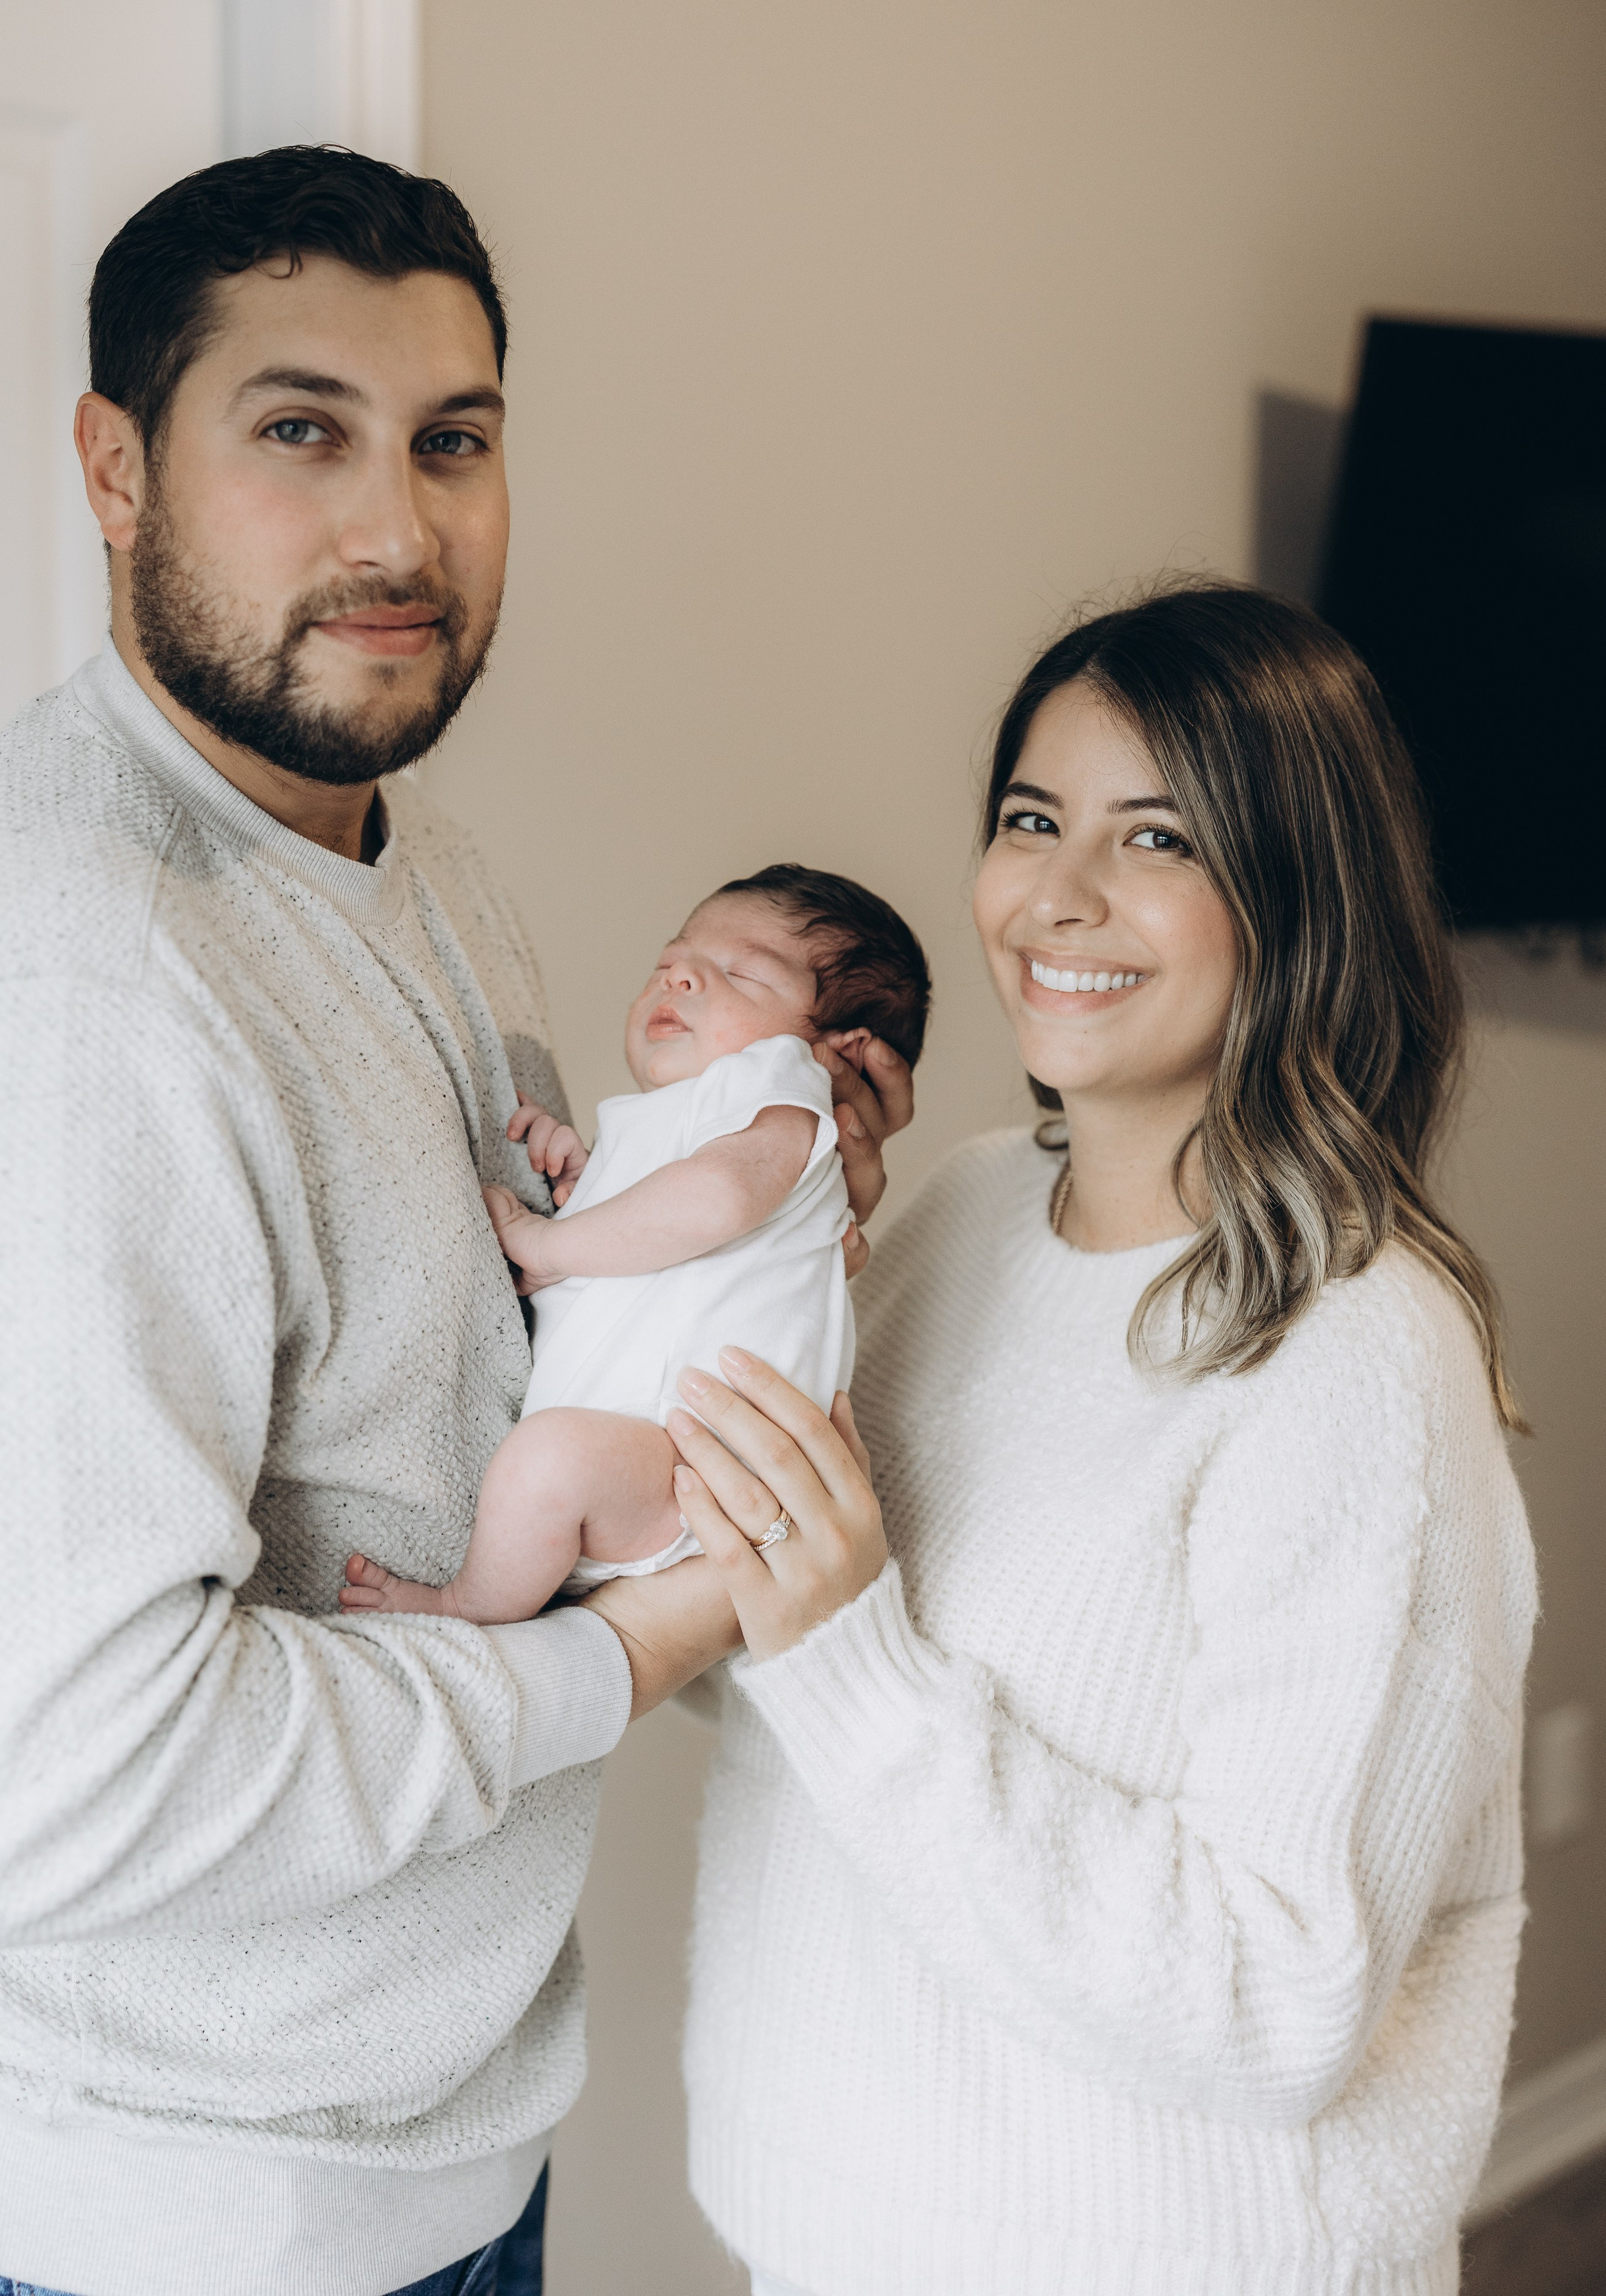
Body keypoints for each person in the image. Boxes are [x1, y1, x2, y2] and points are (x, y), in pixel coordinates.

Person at [0, 147, 910, 2296]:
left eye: (453, 441)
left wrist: (759, 1220)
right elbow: (53, 1786)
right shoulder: (83, 981)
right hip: (159, 2226)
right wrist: (627, 1650)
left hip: (434, 2151)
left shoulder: (414, 859)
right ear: (115, 471)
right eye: (303, 432)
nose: (397, 531)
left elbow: (484, 1368)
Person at [667, 586, 1538, 2296]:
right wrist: (740, 1267)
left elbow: (1278, 1997)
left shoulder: (1354, 1353)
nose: (1058, 896)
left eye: (1158, 838)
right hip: (825, 2239)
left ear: (1297, 892)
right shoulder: (962, 1213)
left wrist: (854, 1655)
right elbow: (760, 1668)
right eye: (1029, 819)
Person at [340, 865, 931, 1624]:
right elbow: (658, 1240)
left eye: (740, 973)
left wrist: (547, 1243)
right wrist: (584, 1181)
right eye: (669, 960)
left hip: (691, 1463)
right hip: (646, 1460)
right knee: (547, 1463)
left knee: (546, 1462)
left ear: (839, 1054)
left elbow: (717, 1198)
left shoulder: (784, 1082)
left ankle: (468, 1610)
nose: (679, 975)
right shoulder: (687, 1121)